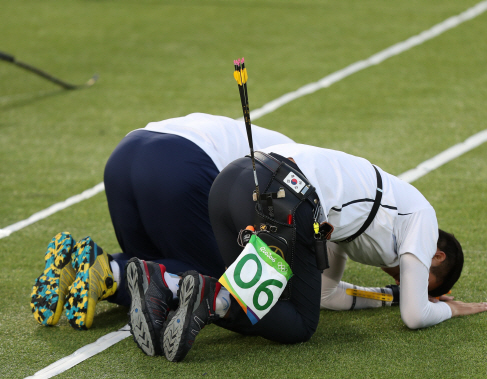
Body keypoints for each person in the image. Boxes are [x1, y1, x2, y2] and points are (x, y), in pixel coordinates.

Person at [147, 142, 487, 362]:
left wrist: (392, 295)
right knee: (299, 325)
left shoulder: (354, 225)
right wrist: (449, 310)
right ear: (436, 256)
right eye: (422, 284)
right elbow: (416, 317)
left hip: (233, 182)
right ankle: (209, 298)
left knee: (251, 294)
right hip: (283, 192)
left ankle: (168, 289)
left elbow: (328, 293)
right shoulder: (422, 217)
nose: (410, 282)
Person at [29, 113, 295, 332]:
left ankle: (80, 267)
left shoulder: (283, 148)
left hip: (123, 157)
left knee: (149, 260)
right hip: (178, 167)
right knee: (223, 286)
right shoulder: (298, 172)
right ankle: (112, 272)